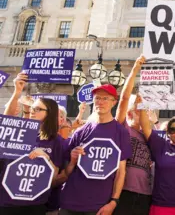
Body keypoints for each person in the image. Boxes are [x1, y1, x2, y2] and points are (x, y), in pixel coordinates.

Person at [59, 84, 132, 215]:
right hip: (69, 201)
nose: (100, 102)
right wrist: (72, 160)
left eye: (105, 98)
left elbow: (121, 171)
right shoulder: (80, 131)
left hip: (98, 205)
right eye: (97, 98)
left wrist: (114, 201)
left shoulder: (121, 132)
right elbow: (67, 171)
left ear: (114, 102)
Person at [0, 73, 64, 215]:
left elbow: (54, 177)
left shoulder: (57, 141)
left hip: (35, 203)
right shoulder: (24, 130)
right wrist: (17, 93)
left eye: (38, 109)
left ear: (50, 113)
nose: (32, 111)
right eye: (32, 108)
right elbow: (7, 121)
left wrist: (46, 158)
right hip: (7, 201)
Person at [113, 55, 152, 215]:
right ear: (129, 113)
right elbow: (124, 99)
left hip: (145, 195)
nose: (142, 111)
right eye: (138, 108)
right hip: (123, 192)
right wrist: (135, 69)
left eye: (145, 109)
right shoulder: (122, 128)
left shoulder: (149, 136)